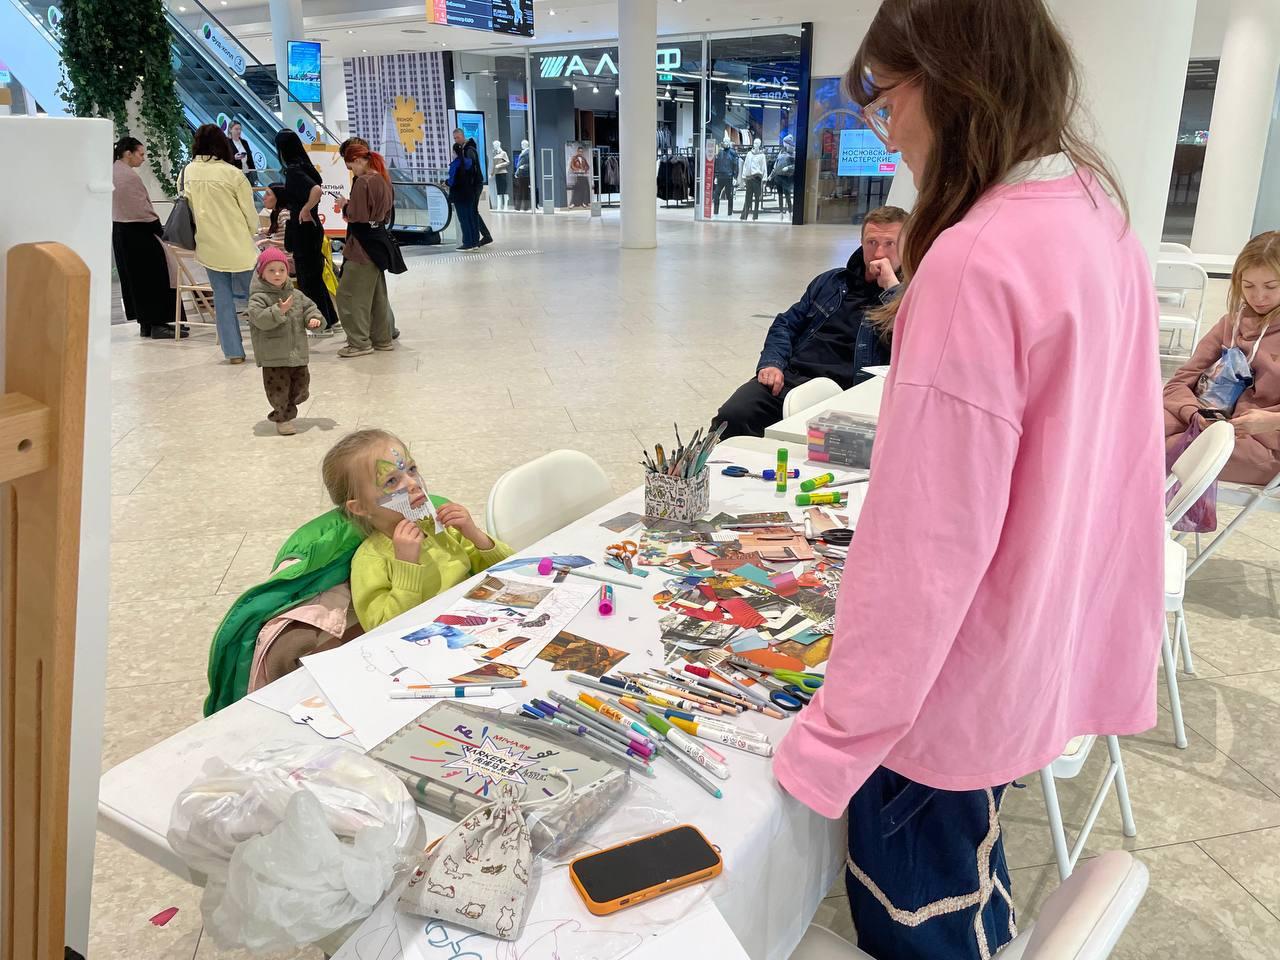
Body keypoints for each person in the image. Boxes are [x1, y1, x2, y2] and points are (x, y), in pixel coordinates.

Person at [771, 2, 1164, 958]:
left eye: (887, 100)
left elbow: (925, 554)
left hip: (941, 705)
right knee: (968, 887)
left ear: (950, 84)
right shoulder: (1094, 207)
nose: (889, 129)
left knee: (926, 928)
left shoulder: (977, 259)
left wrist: (833, 737)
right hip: (1031, 644)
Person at [712, 206, 906, 438]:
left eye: (889, 244)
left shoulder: (911, 297)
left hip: (845, 393)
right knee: (731, 417)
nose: (878, 253)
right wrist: (772, 363)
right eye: (871, 242)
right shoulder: (831, 282)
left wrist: (891, 290)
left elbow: (912, 344)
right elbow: (786, 324)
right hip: (791, 378)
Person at [320, 429, 513, 631]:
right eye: (391, 481)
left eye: (411, 469)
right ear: (360, 507)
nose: (413, 483)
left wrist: (476, 535)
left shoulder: (440, 528)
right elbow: (381, 630)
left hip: (481, 622)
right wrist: (406, 565)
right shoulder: (371, 560)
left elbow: (512, 569)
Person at [1164, 232, 1280, 485]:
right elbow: (1177, 385)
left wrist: (1271, 421)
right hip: (1211, 425)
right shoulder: (1230, 324)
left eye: (1271, 287)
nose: (1258, 297)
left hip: (1265, 446)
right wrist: (1195, 414)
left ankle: (1135, 522)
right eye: (1248, 286)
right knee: (1133, 431)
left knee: (1167, 453)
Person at [182, 124, 259, 363]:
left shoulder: (188, 172)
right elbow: (250, 214)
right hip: (238, 245)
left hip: (208, 245)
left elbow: (188, 207)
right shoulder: (232, 173)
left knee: (223, 299)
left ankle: (234, 352)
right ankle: (267, 346)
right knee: (256, 298)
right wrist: (251, 232)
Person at [111, 136, 186, 339]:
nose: (143, 159)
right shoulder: (127, 176)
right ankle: (157, 322)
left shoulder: (115, 172)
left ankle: (147, 322)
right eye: (141, 154)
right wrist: (158, 227)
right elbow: (139, 208)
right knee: (154, 278)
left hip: (123, 232)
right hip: (139, 233)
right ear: (129, 153)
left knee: (137, 281)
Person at [246, 247, 324, 435]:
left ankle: (290, 405)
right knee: (278, 390)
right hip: (274, 356)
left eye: (281, 269)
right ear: (261, 272)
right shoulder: (259, 297)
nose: (277, 274)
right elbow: (259, 319)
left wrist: (314, 319)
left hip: (297, 353)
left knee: (301, 388)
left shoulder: (295, 294)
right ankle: (283, 418)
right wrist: (278, 311)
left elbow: (309, 308)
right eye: (271, 270)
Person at [336, 143, 400, 358]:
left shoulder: (364, 182)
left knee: (349, 295)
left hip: (361, 246)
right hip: (379, 243)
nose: (351, 171)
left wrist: (345, 205)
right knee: (377, 296)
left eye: (351, 166)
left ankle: (359, 343)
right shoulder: (383, 179)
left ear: (358, 160)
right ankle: (382, 339)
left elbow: (358, 216)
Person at [273, 129, 340, 330]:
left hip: (303, 228)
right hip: (312, 228)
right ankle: (329, 318)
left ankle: (319, 322)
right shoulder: (306, 166)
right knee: (314, 275)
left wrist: (305, 208)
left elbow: (316, 190)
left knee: (307, 277)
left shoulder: (294, 170)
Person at [449, 128, 492, 251]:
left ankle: (473, 241)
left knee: (469, 214)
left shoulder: (468, 151)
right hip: (471, 186)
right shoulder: (468, 150)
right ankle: (476, 240)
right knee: (472, 213)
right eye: (455, 138)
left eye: (457, 137)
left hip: (471, 187)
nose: (456, 140)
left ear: (463, 136)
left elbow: (469, 170)